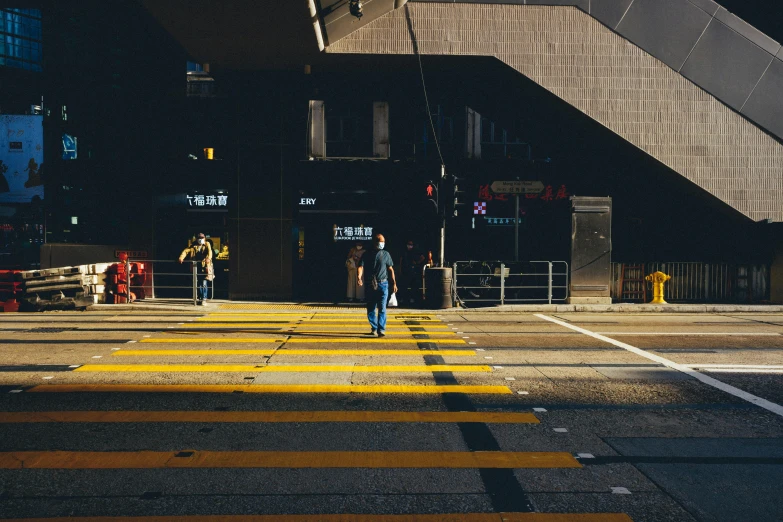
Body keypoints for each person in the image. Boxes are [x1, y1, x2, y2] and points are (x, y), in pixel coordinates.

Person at [357, 233, 397, 337]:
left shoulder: (386, 254)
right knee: (371, 308)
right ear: (375, 243)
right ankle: (374, 327)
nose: (382, 244)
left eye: (383, 242)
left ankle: (381, 329)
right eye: (380, 241)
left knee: (382, 308)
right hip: (371, 284)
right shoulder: (366, 254)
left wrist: (394, 283)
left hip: (383, 284)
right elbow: (360, 266)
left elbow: (391, 269)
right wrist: (359, 277)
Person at [178, 232, 213, 305]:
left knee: (204, 282)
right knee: (199, 283)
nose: (201, 239)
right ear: (197, 239)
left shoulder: (207, 244)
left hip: (204, 266)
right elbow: (185, 251)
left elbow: (210, 252)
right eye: (199, 238)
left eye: (202, 238)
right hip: (196, 266)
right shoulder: (193, 245)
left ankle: (204, 298)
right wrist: (181, 257)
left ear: (204, 238)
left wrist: (208, 258)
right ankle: (200, 297)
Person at [399, 239, 425, 304]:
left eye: (411, 244)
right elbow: (401, 260)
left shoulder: (415, 251)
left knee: (414, 285)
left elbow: (422, 257)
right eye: (408, 244)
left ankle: (413, 298)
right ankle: (404, 298)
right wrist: (400, 269)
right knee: (404, 285)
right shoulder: (404, 251)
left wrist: (417, 262)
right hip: (406, 270)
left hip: (413, 270)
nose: (409, 246)